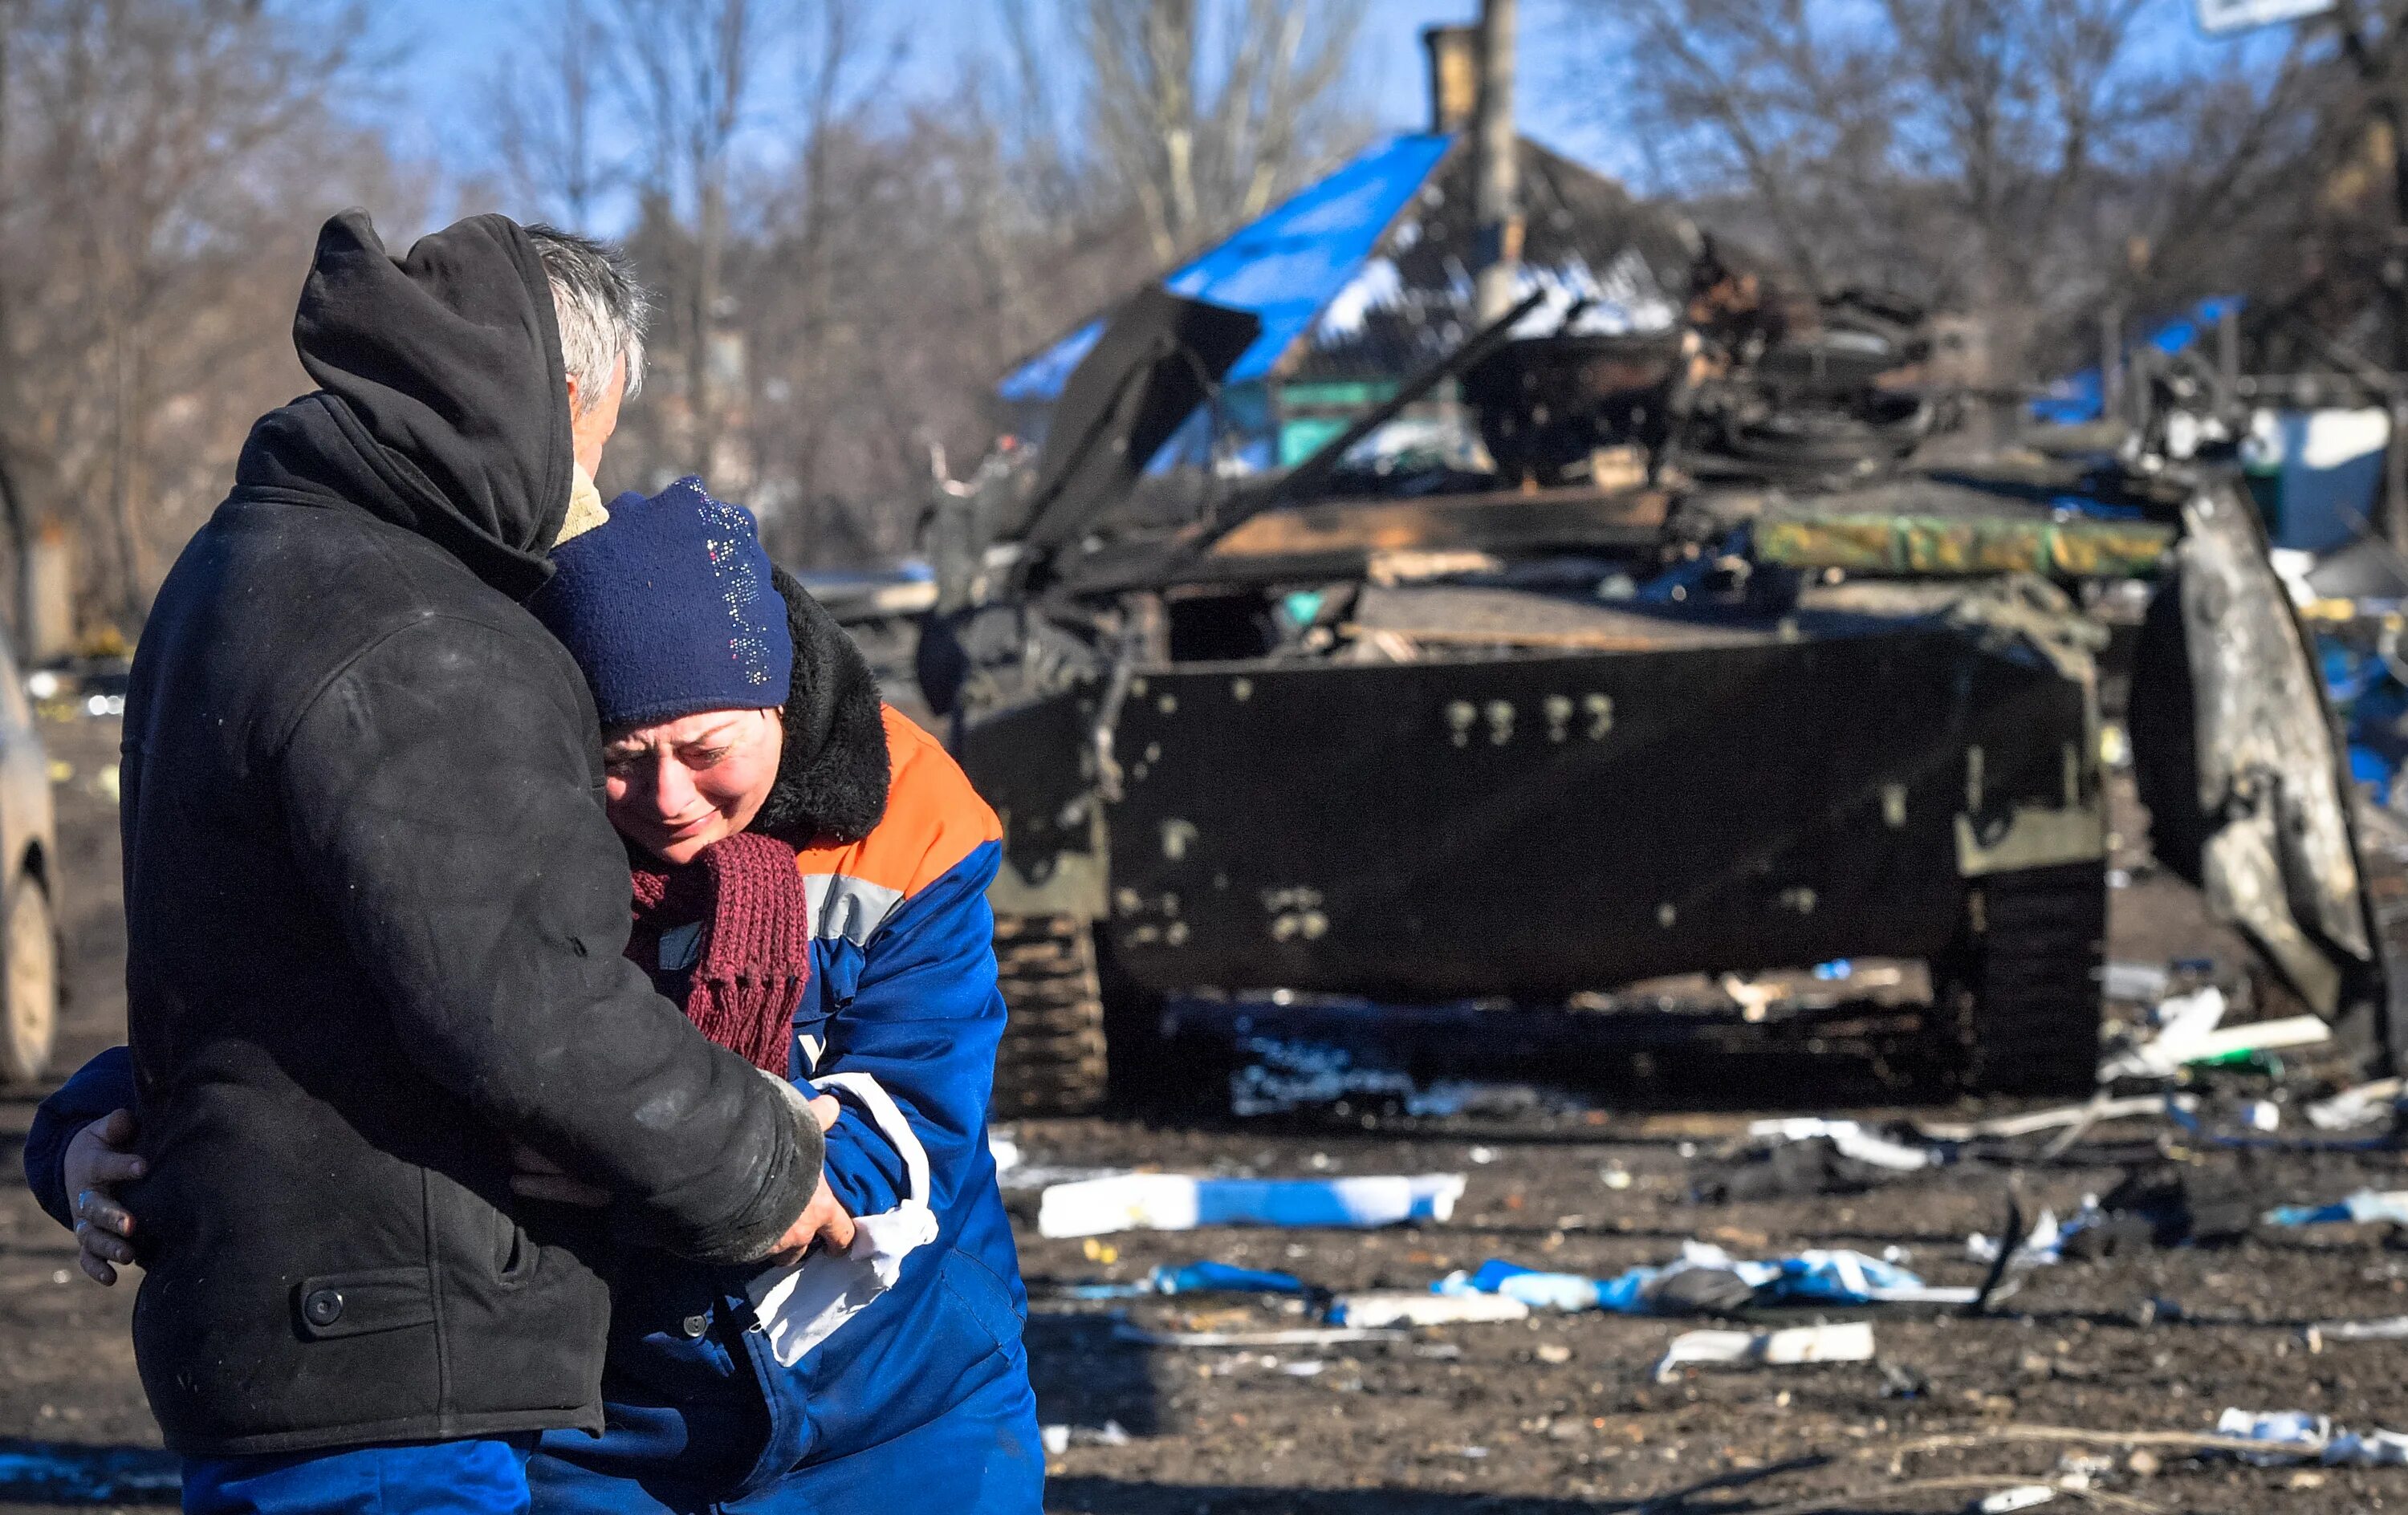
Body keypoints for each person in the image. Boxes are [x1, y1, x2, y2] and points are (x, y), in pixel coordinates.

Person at [21, 212, 835, 1513]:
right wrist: (762, 1165)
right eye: (601, 433)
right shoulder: (420, 628)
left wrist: (72, 1125)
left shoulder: (246, 565)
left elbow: (266, 969)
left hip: (295, 1337)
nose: (592, 485)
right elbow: (528, 999)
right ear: (557, 398)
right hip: (391, 1354)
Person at [38, 478, 1044, 1513]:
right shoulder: (497, 826)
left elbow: (916, 1126)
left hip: (909, 1409)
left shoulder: (914, 820)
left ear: (778, 701)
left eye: (708, 752)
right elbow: (282, 1027)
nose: (668, 800)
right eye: (618, 760)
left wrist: (651, 1161)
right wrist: (76, 1135)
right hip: (603, 1438)